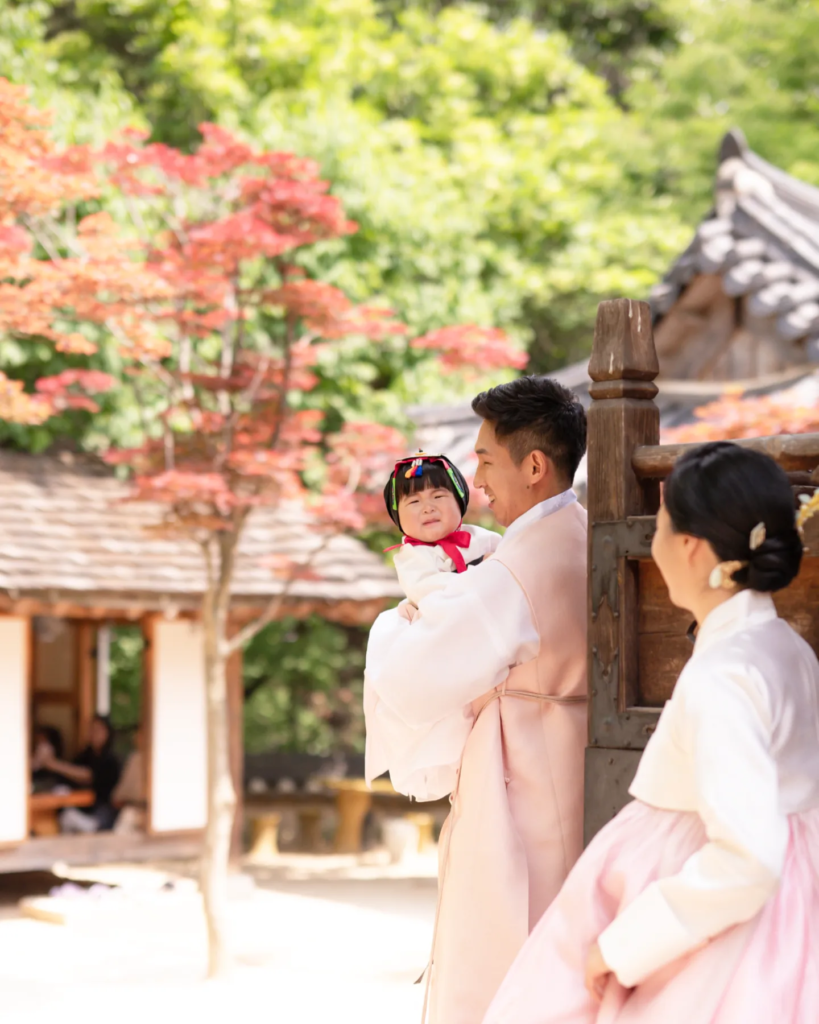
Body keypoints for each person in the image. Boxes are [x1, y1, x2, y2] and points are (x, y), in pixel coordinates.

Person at [484, 441, 819, 1024]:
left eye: (662, 523)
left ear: (689, 547)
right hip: (782, 915)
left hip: (717, 932)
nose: (655, 540)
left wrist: (627, 945)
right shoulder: (786, 647)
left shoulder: (726, 675)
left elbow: (748, 857)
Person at [364, 376, 589, 1024]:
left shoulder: (518, 565)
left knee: (500, 953)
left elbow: (413, 678)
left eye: (486, 459)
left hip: (521, 775)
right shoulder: (575, 531)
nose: (478, 478)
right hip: (567, 753)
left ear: (534, 465)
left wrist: (396, 626)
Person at [37, 714, 121, 833]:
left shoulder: (111, 759)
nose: (93, 734)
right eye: (91, 729)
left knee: (68, 818)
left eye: (97, 730)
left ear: (107, 733)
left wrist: (53, 764)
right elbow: (71, 770)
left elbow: (88, 776)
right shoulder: (86, 754)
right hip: (82, 807)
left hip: (101, 815)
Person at [112, 725, 147, 835]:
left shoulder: (138, 758)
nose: (135, 737)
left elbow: (120, 796)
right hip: (132, 810)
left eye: (139, 734)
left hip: (141, 813)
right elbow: (118, 796)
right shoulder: (135, 757)